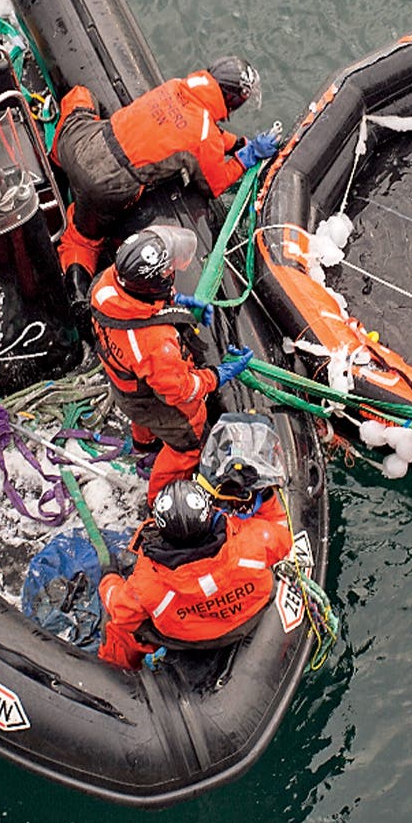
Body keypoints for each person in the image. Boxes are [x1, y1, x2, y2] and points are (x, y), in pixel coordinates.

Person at [50, 57, 279, 304]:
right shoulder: (205, 136)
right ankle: (76, 295)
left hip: (82, 143)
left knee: (80, 96)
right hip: (105, 185)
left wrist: (237, 144)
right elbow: (214, 184)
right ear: (235, 100)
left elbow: (200, 131)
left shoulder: (175, 87)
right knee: (82, 239)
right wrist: (247, 157)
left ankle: (55, 160)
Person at [90, 225, 254, 504]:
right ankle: (159, 500)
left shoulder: (107, 286)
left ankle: (144, 446)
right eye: (167, 274)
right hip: (153, 399)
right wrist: (219, 374)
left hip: (124, 385)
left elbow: (145, 303)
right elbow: (180, 391)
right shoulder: (156, 344)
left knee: (142, 416)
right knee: (188, 446)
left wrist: (177, 303)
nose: (172, 274)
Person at [97, 476, 292, 669]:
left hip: (188, 639)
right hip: (249, 617)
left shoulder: (147, 582)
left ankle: (119, 669)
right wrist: (265, 497)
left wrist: (109, 578)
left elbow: (121, 612)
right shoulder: (252, 541)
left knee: (115, 624)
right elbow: (283, 536)